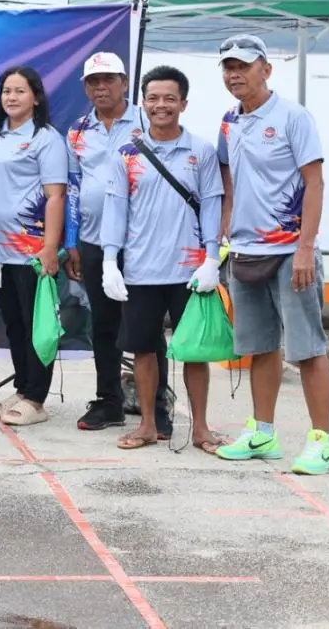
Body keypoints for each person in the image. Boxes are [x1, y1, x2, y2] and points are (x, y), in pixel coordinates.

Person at [211, 34, 329, 474]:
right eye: (228, 67)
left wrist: (306, 246)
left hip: (289, 251)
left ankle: (321, 441)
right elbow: (227, 181)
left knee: (306, 348)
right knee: (260, 347)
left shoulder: (293, 117)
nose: (234, 75)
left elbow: (315, 183)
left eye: (243, 66)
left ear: (266, 69)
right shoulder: (229, 121)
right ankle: (262, 432)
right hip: (245, 251)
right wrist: (223, 234)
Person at [99, 66, 224, 452]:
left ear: (183, 103)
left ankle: (201, 428)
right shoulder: (128, 154)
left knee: (195, 351)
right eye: (153, 98)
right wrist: (109, 260)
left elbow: (212, 206)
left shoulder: (201, 151)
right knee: (143, 349)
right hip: (140, 269)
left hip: (189, 271)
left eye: (170, 98)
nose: (161, 105)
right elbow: (116, 209)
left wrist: (211, 258)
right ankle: (149, 425)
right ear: (143, 103)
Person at [63, 53, 175, 436]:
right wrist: (72, 242)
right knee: (104, 324)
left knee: (147, 329)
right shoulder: (77, 131)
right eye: (93, 81)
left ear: (125, 83)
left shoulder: (148, 121)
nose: (101, 87)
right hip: (94, 240)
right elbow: (74, 188)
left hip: (143, 242)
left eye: (109, 79)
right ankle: (108, 400)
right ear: (85, 87)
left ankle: (157, 406)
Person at [0, 66, 68, 427]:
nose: (11, 98)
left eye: (19, 91)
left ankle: (36, 398)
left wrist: (50, 247)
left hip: (30, 250)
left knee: (37, 326)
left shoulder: (47, 138)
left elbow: (56, 195)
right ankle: (22, 386)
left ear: (36, 96)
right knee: (14, 325)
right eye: (6, 91)